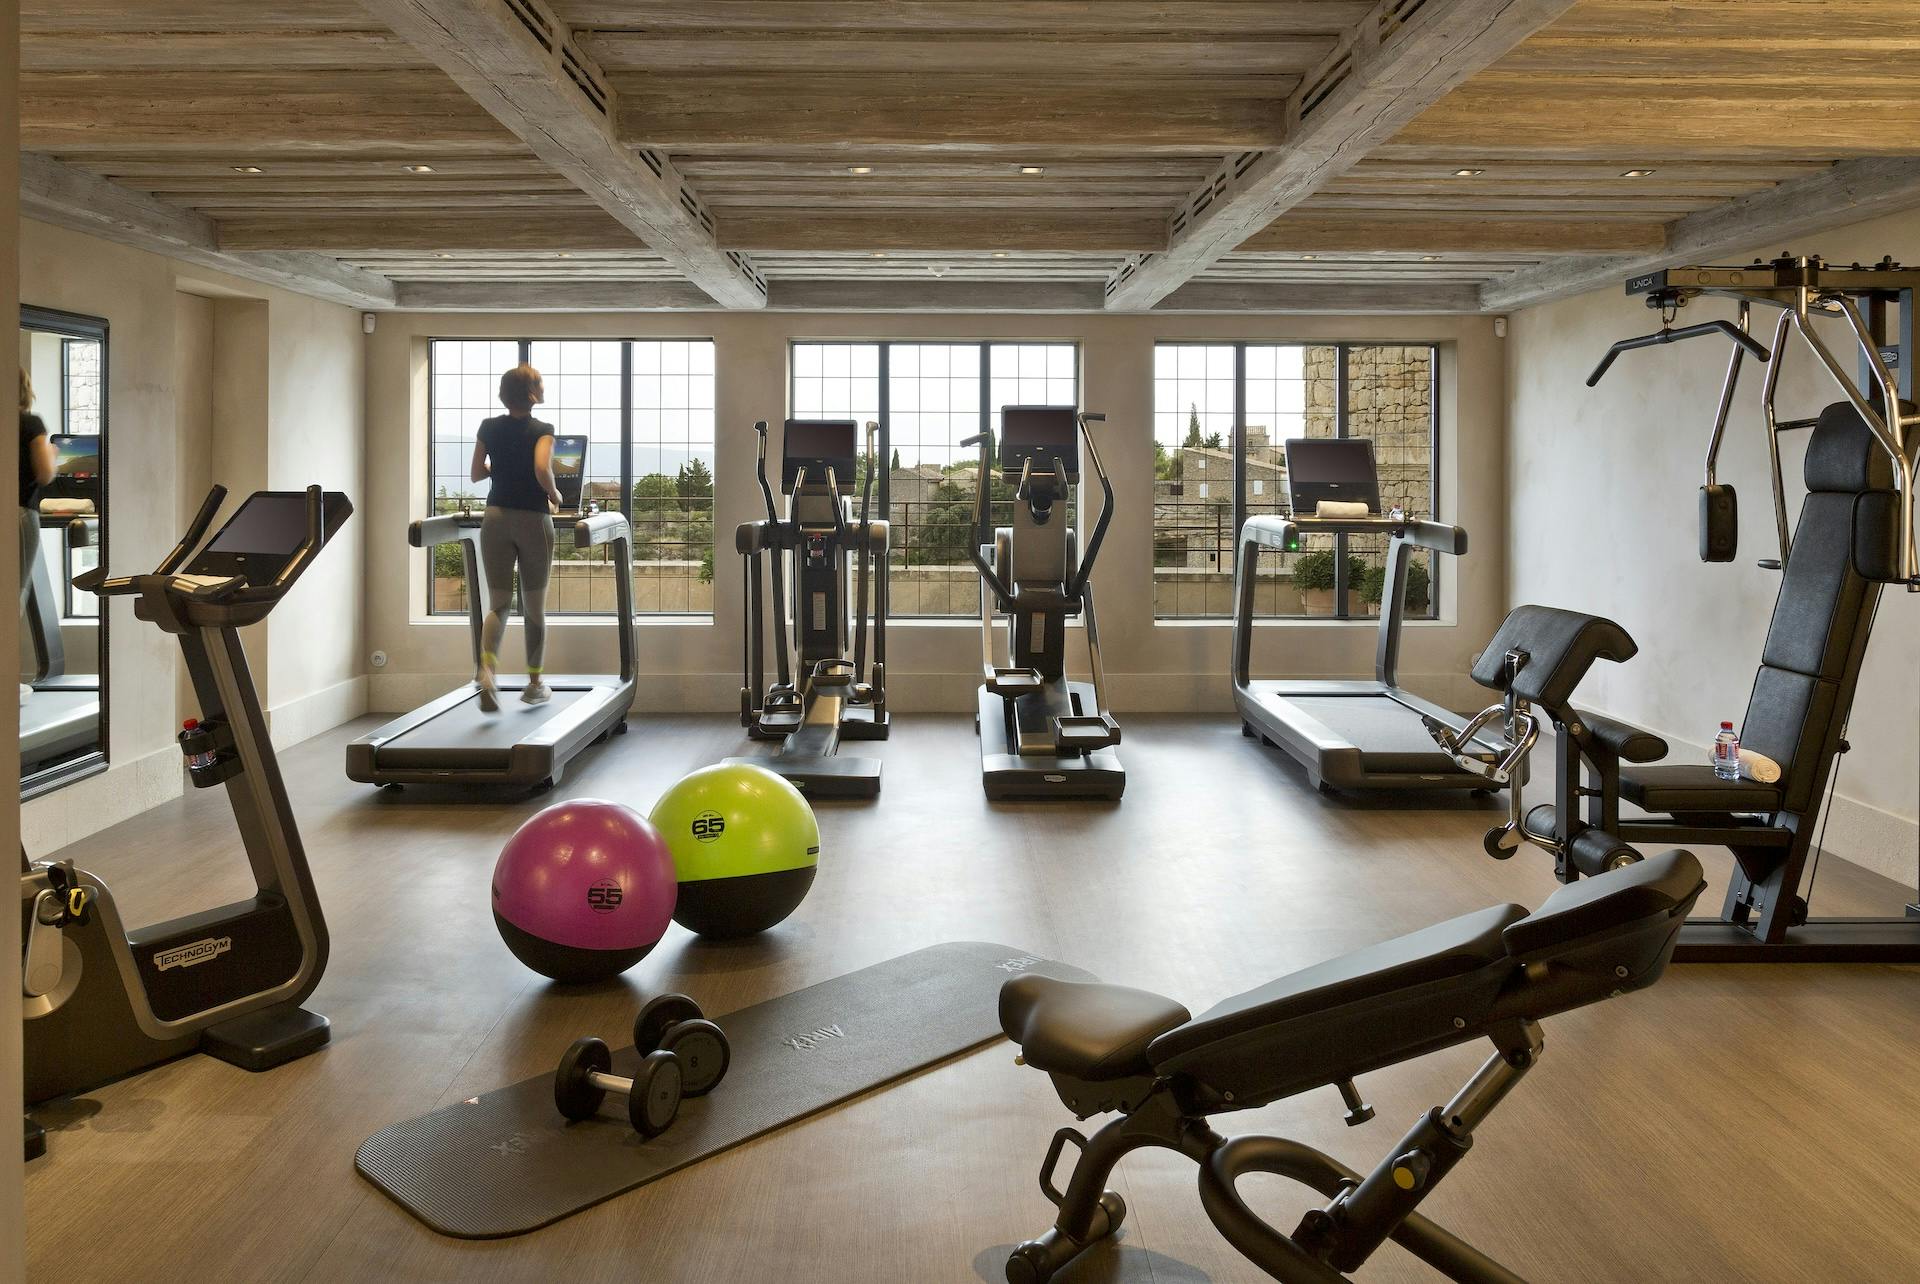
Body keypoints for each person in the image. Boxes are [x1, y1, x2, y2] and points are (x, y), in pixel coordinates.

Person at [471, 363, 563, 712]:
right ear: (531, 393)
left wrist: (504, 468)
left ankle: (487, 673)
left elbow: (477, 473)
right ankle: (535, 683)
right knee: (534, 606)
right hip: (533, 520)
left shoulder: (488, 427)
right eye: (540, 382)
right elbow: (542, 469)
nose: (543, 386)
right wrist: (555, 495)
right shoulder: (543, 429)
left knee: (498, 603)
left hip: (494, 519)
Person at [20, 371, 56, 706]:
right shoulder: (30, 424)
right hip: (19, 514)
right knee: (13, 595)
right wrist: (54, 455)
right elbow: (44, 473)